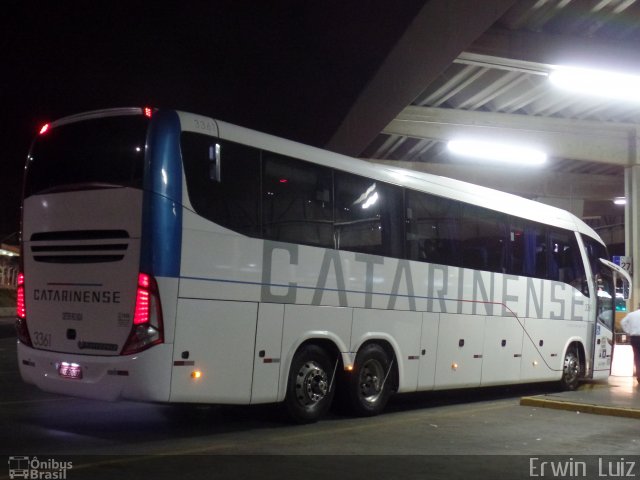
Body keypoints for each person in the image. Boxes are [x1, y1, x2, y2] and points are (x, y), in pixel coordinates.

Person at [621, 307, 640, 382]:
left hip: (634, 338)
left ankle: (639, 375)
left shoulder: (631, 315)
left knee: (637, 357)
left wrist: (628, 331)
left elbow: (622, 322)